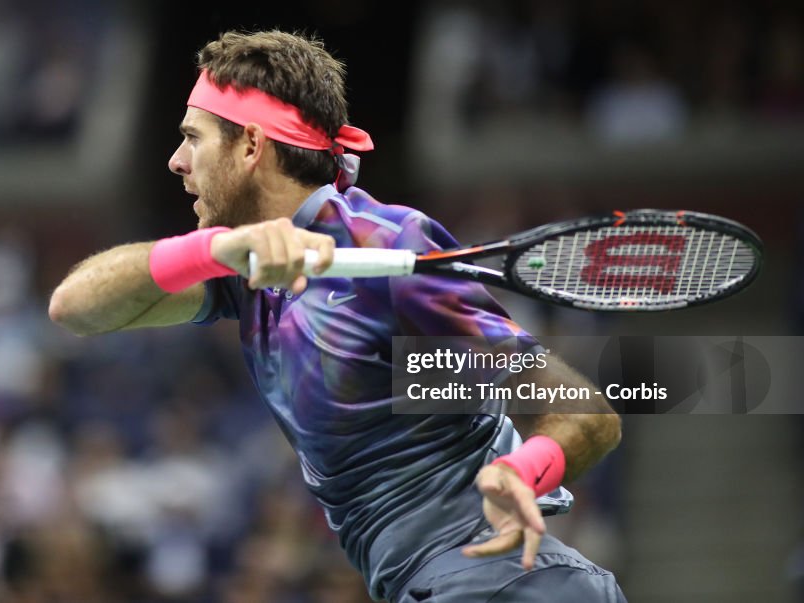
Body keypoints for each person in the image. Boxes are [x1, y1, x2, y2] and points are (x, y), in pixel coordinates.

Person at [49, 30, 625, 602]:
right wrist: (214, 251)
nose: (176, 162)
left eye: (193, 139)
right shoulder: (245, 273)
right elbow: (75, 307)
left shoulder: (386, 246)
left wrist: (522, 471)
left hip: (503, 582)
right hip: (430, 587)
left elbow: (589, 414)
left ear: (250, 146)